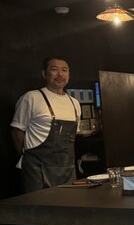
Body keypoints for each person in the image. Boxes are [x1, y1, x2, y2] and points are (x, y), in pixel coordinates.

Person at [10, 56, 81, 193]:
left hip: (67, 170)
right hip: (37, 172)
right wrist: (28, 158)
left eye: (64, 70)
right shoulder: (32, 97)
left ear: (69, 75)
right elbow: (17, 131)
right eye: (54, 69)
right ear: (44, 74)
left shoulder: (74, 103)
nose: (60, 74)